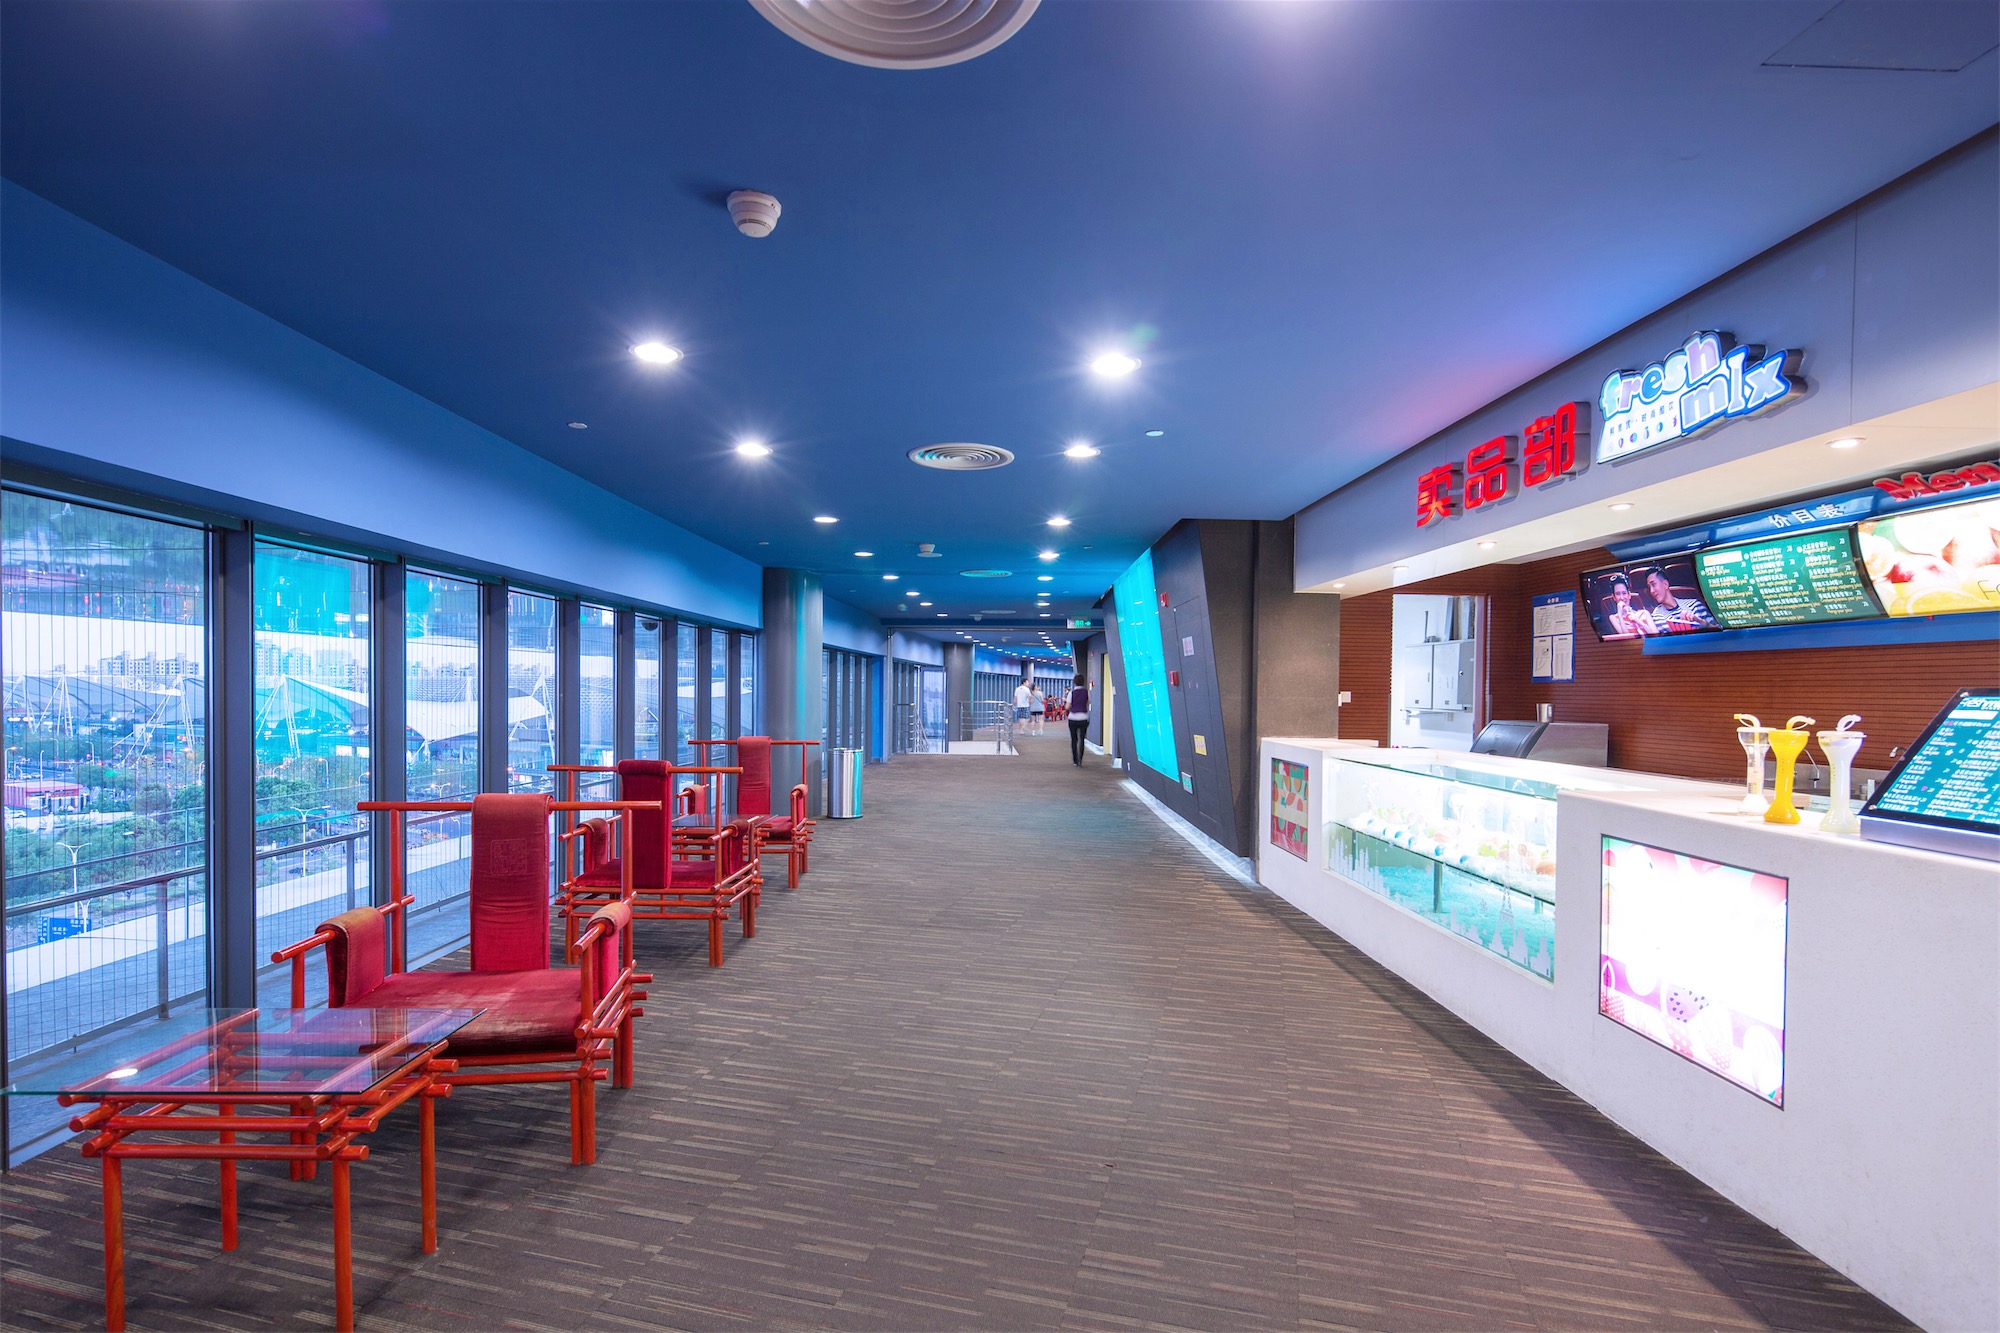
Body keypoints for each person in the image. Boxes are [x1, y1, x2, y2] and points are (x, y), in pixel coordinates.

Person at [1644, 566, 1718, 632]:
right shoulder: (1656, 618)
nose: (1651, 591)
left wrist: (1701, 622)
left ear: (1665, 584)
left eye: (1654, 585)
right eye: (1649, 587)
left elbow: (1719, 631)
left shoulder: (1694, 605)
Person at [1066, 675, 1091, 766]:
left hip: (1073, 718)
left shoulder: (1071, 693)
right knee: (1082, 739)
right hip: (1083, 718)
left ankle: (1075, 760)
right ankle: (1080, 759)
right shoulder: (1086, 692)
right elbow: (1088, 703)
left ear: (1074, 682)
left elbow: (1067, 707)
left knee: (1074, 739)